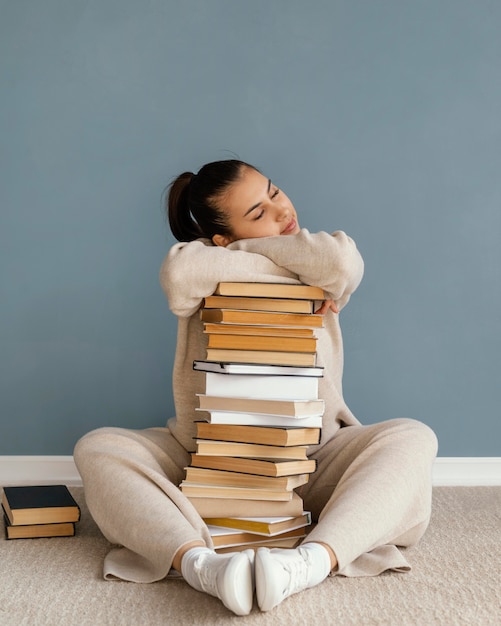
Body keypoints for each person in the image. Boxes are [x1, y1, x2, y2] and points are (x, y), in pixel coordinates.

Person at [74, 159, 438, 616]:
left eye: (274, 191)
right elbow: (180, 277)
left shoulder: (274, 259)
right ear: (222, 239)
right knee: (99, 448)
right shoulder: (200, 260)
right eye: (257, 213)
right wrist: (293, 268)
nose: (281, 210)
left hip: (314, 457)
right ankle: (200, 564)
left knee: (413, 437)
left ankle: (308, 562)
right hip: (204, 459)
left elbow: (341, 261)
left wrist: (251, 256)